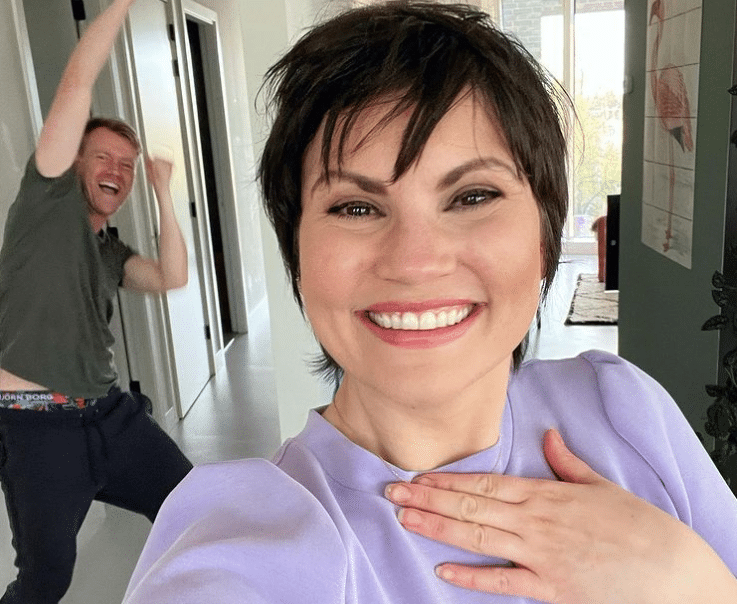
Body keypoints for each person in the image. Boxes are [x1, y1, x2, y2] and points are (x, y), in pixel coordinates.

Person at [123, 2, 737, 603]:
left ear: (545, 238)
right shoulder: (252, 542)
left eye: (472, 196)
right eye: (356, 207)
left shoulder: (622, 406)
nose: (415, 263)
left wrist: (690, 580)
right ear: (298, 254)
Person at [0, 0, 192, 602]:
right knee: (46, 579)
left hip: (109, 414)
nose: (118, 170)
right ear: (73, 161)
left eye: (128, 166)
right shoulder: (46, 203)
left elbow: (172, 277)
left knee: (193, 503)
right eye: (104, 157)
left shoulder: (110, 250)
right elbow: (78, 81)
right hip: (37, 423)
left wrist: (162, 191)